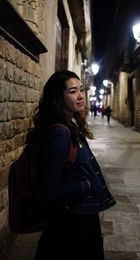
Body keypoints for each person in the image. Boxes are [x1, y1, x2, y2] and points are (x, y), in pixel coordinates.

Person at [26, 70, 116, 260]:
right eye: (73, 91)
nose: (81, 95)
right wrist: (86, 185)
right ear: (59, 97)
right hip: (72, 227)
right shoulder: (60, 133)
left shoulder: (69, 127)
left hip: (79, 217)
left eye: (81, 90)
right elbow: (47, 190)